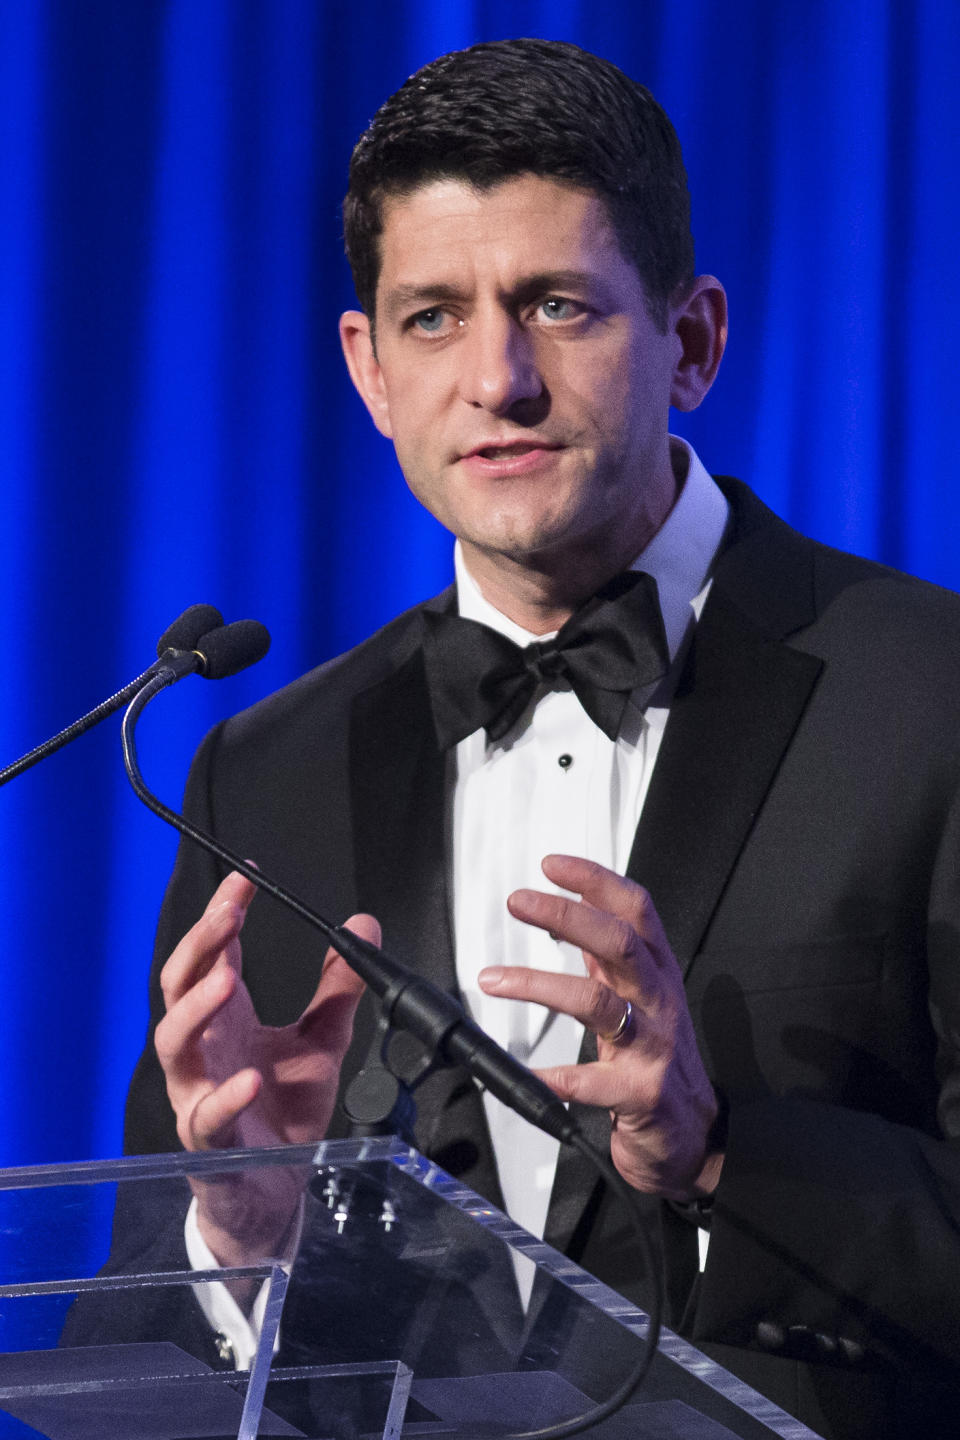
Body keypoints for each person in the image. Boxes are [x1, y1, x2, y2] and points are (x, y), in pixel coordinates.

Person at [116, 38, 960, 1439]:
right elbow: (134, 1339)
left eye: (557, 306)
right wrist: (241, 1237)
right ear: (370, 368)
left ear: (691, 342)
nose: (495, 378)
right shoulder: (261, 773)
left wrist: (717, 1157)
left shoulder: (930, 695)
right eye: (433, 317)